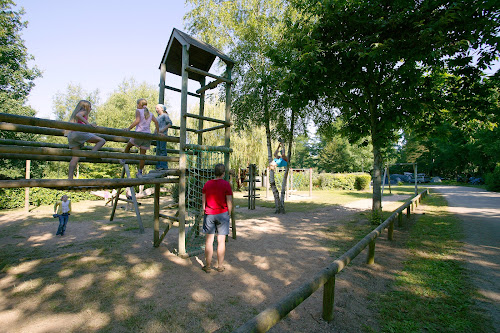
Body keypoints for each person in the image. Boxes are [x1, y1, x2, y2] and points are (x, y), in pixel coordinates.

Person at [201, 163, 233, 273]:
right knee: (221, 242)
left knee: (209, 242)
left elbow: (203, 200)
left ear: (214, 173)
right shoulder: (226, 184)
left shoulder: (207, 184)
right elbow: (229, 200)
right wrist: (229, 212)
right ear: (223, 173)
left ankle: (208, 266)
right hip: (222, 214)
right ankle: (220, 266)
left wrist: (204, 209)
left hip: (209, 214)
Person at [66, 100, 106, 179]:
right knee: (101, 140)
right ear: (86, 107)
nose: (91, 109)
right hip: (78, 133)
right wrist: (89, 125)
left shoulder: (74, 116)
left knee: (75, 157)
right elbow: (79, 115)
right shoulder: (83, 111)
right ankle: (91, 154)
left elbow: (77, 116)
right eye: (90, 107)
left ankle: (70, 178)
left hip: (71, 135)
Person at [121, 99, 160, 178]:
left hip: (139, 133)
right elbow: (156, 122)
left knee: (129, 145)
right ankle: (140, 172)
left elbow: (137, 120)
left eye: (137, 104)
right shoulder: (150, 114)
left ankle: (123, 159)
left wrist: (129, 128)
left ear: (139, 105)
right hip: (147, 135)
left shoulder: (138, 110)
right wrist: (157, 132)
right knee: (142, 155)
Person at [155, 104, 172, 170]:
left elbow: (170, 123)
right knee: (158, 150)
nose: (156, 110)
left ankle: (163, 166)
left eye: (157, 108)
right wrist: (155, 132)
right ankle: (158, 166)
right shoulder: (158, 117)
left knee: (162, 149)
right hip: (158, 136)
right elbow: (157, 126)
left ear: (162, 109)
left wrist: (163, 130)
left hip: (163, 135)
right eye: (156, 108)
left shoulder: (165, 115)